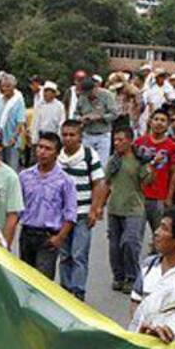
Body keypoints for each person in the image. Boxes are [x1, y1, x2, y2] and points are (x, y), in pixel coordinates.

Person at [56, 119, 105, 300]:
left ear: (80, 137)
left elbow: (99, 183)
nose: (68, 138)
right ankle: (65, 290)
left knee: (79, 254)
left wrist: (95, 209)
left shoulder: (89, 155)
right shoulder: (58, 157)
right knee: (64, 254)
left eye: (72, 135)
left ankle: (78, 292)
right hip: (62, 215)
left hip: (83, 213)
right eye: (65, 135)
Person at [17, 132, 76, 279]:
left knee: (42, 281)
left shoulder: (65, 181)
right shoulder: (24, 176)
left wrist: (59, 238)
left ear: (57, 153)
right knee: (25, 279)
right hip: (27, 233)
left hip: (48, 237)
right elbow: (16, 207)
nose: (42, 152)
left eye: (48, 149)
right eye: (40, 147)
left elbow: (70, 214)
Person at [101, 125, 151, 293]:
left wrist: (152, 166)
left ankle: (132, 276)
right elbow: (106, 184)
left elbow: (147, 182)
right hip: (115, 208)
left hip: (134, 208)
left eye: (121, 140)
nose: (117, 143)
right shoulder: (113, 161)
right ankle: (119, 276)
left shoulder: (139, 160)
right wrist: (99, 206)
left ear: (130, 141)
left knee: (130, 243)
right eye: (115, 140)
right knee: (114, 246)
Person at [130, 206, 175, 312]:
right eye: (159, 226)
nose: (156, 232)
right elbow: (135, 301)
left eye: (164, 228)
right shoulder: (148, 265)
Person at [134, 107, 175, 233]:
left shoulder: (173, 147)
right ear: (150, 121)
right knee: (135, 235)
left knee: (159, 233)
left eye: (163, 120)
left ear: (168, 125)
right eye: (156, 119)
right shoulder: (139, 143)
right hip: (139, 196)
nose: (159, 123)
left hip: (159, 197)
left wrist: (169, 196)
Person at [72, 74, 120, 163]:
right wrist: (81, 119)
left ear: (95, 88)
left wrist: (100, 117)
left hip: (103, 134)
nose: (88, 96)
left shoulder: (107, 95)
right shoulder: (82, 97)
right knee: (85, 162)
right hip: (87, 134)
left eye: (90, 93)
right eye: (86, 93)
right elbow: (75, 114)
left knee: (102, 164)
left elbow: (115, 114)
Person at [0, 72, 27, 170]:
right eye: (3, 86)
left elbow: (20, 121)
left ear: (13, 87)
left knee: (12, 167)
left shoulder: (18, 100)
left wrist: (14, 137)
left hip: (12, 140)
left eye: (8, 86)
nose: (5, 89)